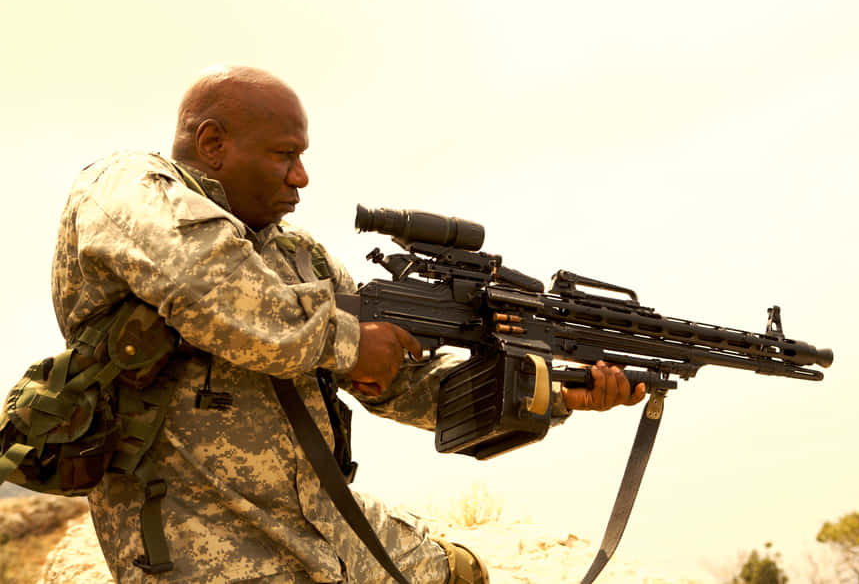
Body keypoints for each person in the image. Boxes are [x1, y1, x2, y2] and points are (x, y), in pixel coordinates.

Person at [51, 65, 646, 584]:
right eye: (284, 155)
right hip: (206, 543)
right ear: (212, 143)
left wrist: (552, 388)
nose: (301, 177)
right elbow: (213, 291)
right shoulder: (126, 188)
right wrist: (351, 341)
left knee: (462, 573)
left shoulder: (297, 257)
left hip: (321, 522)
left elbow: (397, 379)